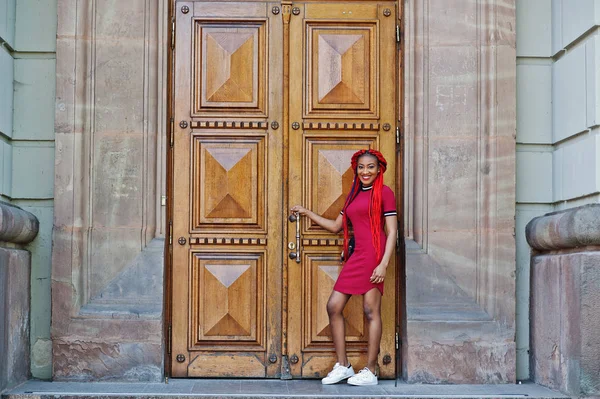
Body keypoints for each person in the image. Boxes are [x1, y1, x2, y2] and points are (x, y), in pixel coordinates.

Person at [290, 149, 397, 386]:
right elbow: (337, 226)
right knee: (333, 306)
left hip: (374, 255)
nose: (365, 171)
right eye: (361, 167)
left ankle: (370, 370)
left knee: (371, 311)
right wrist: (307, 212)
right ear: (355, 169)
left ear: (379, 169)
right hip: (356, 256)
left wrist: (383, 264)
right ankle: (344, 365)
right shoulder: (352, 195)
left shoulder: (384, 193)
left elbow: (392, 232)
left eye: (370, 166)